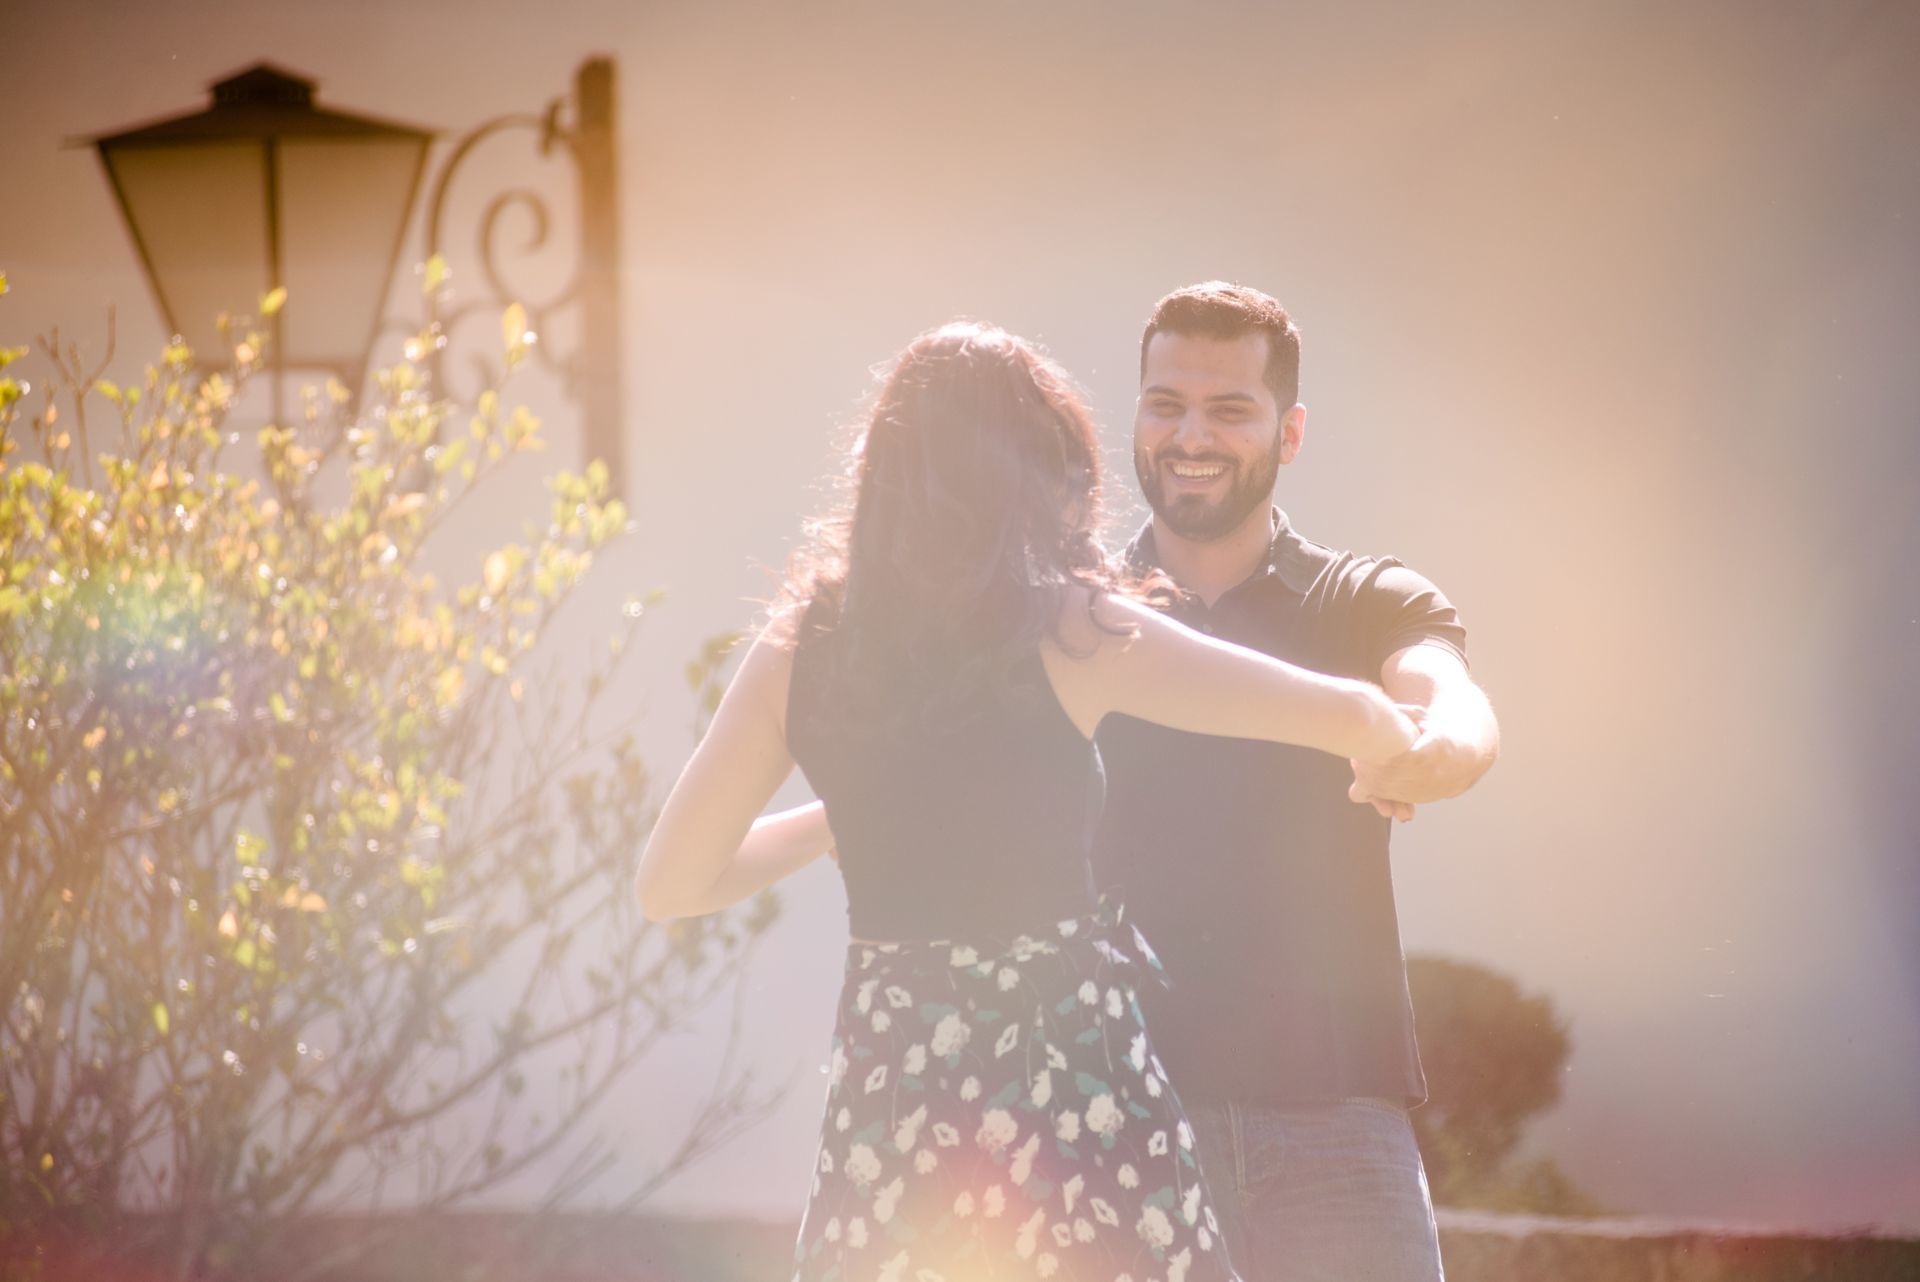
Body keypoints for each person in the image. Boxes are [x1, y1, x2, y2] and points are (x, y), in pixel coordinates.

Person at [634, 321, 1422, 1282]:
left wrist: (846, 814)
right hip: (1077, 1098)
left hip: (899, 1106)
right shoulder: (1069, 628)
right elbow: (1332, 710)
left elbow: (672, 885)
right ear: (1039, 470)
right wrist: (1399, 747)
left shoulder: (800, 650)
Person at [1094, 282, 1501, 1282]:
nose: (1191, 435)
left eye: (1229, 409)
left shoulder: (1364, 599)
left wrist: (1434, 750)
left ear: (1291, 431)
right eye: (1164, 404)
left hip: (1339, 1132)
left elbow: (1454, 702)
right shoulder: (1075, 617)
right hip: (1121, 1116)